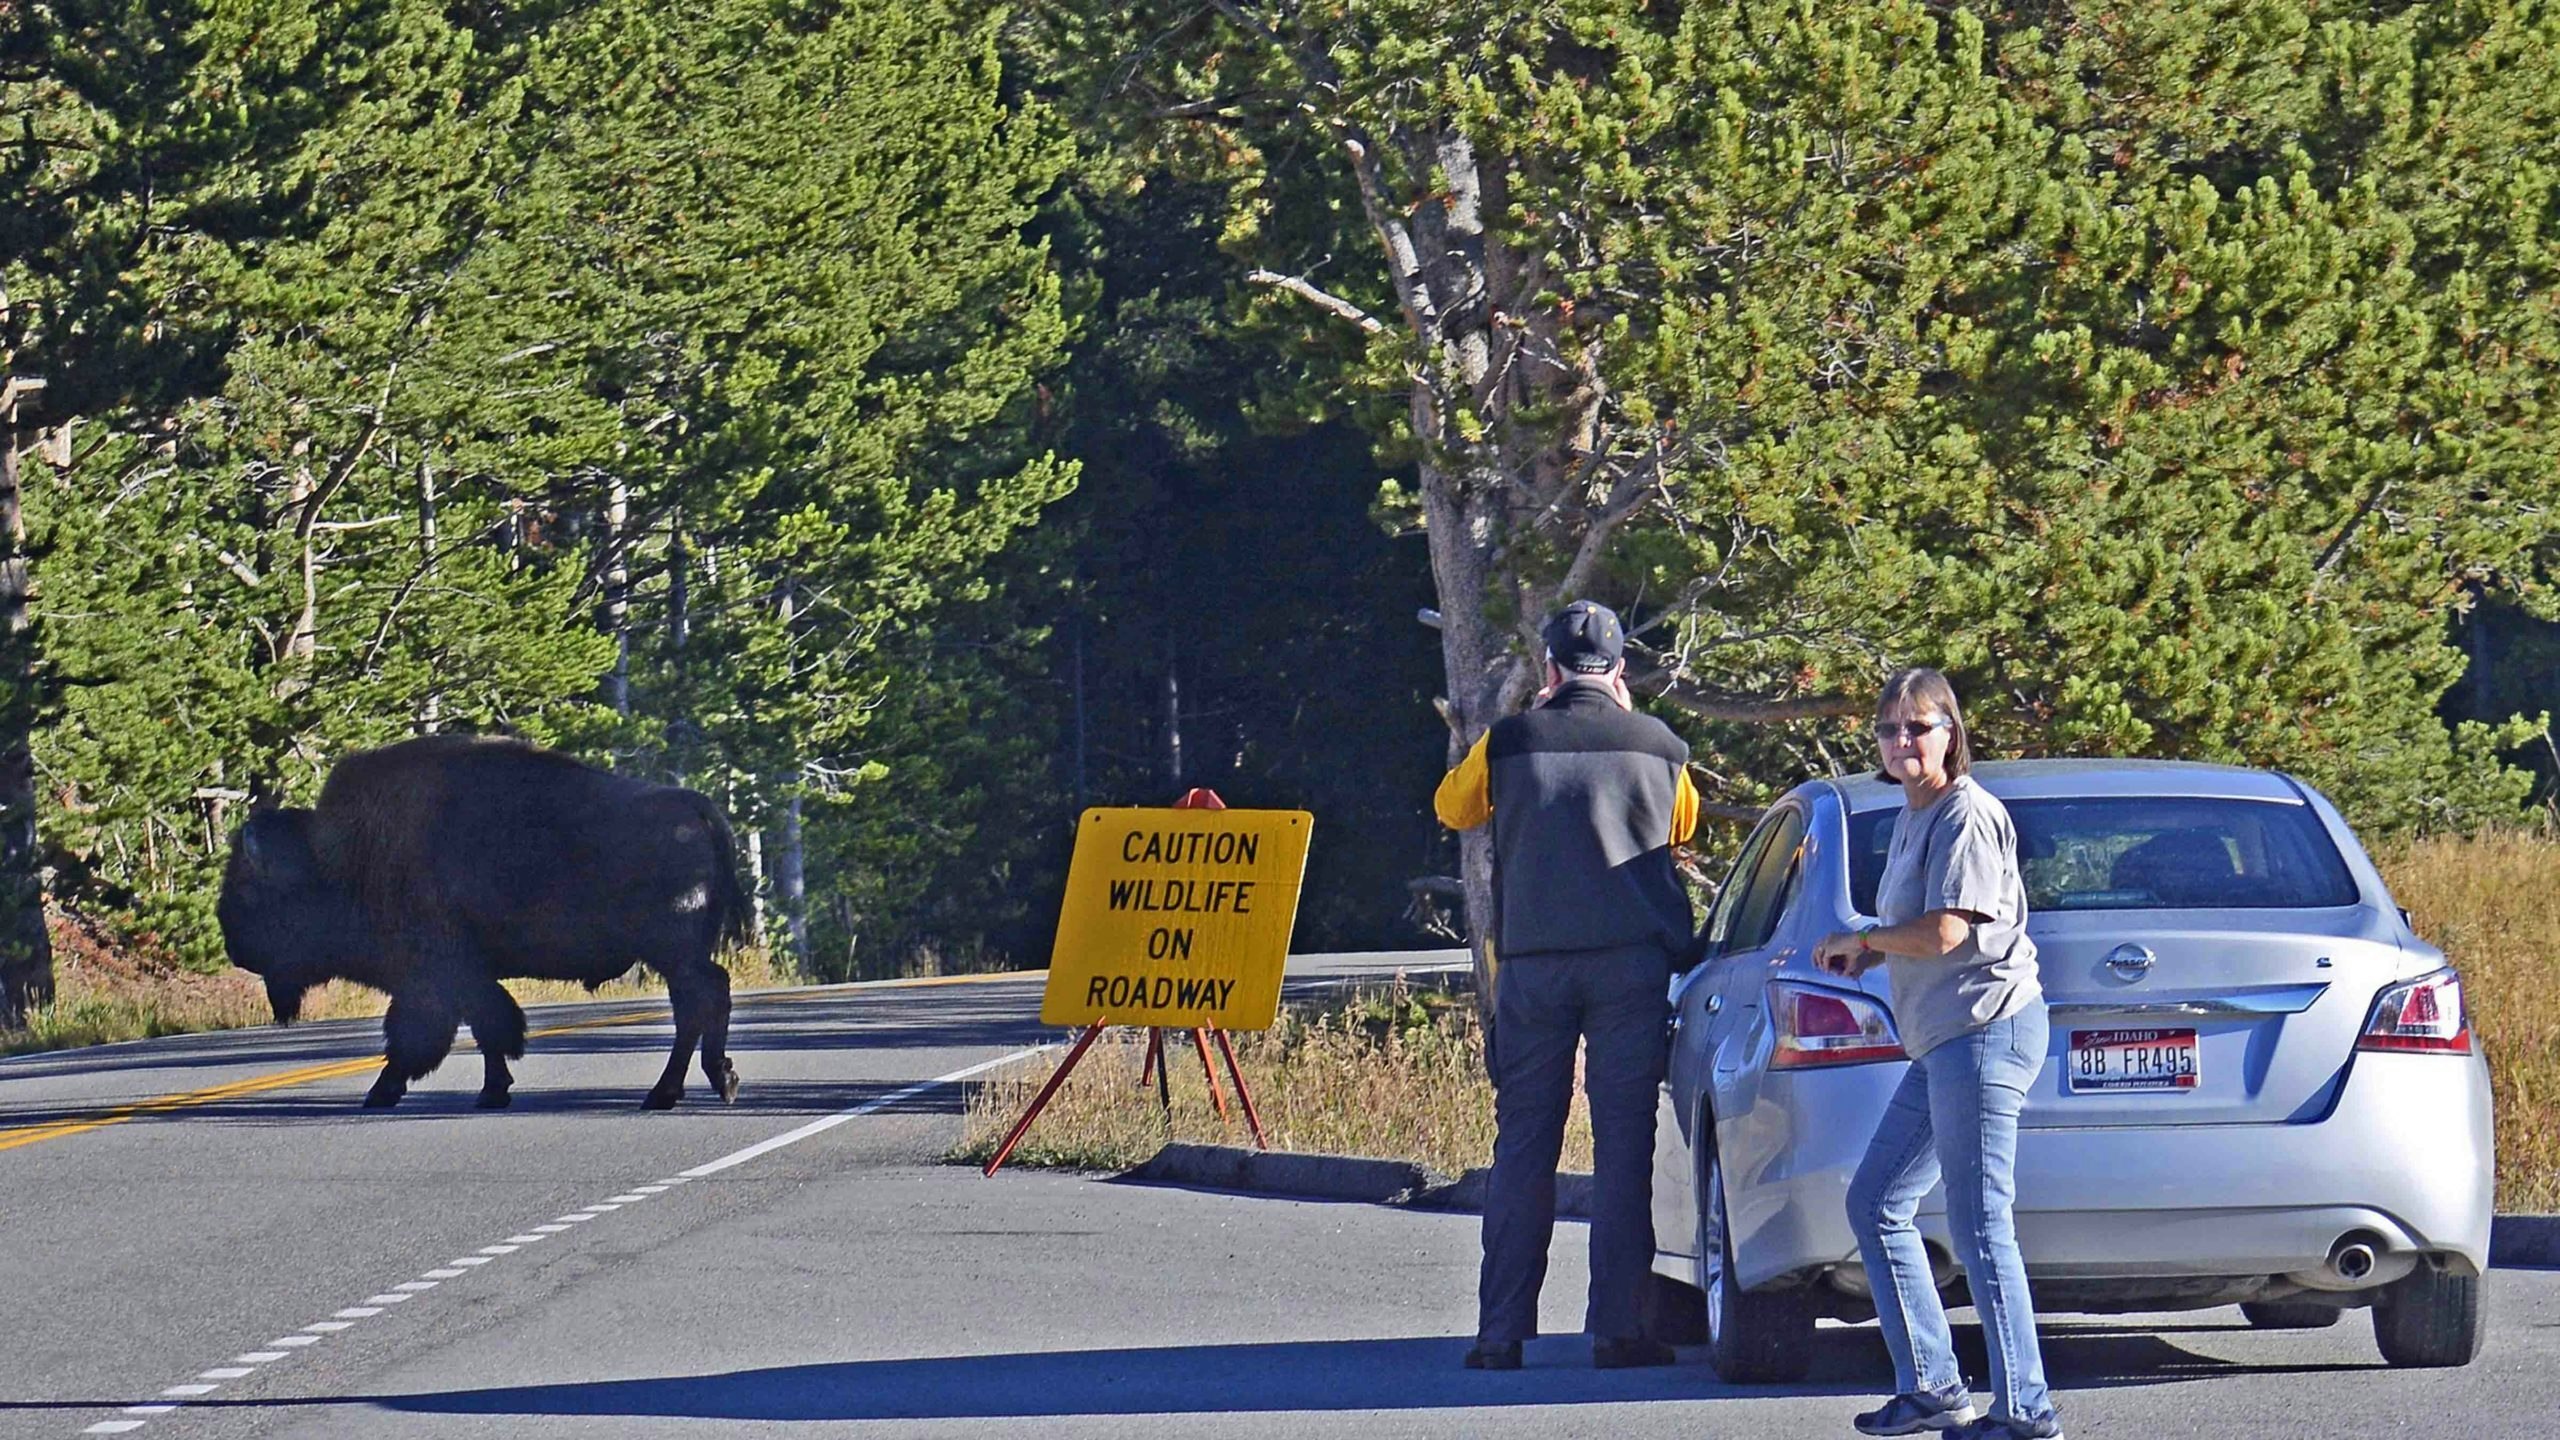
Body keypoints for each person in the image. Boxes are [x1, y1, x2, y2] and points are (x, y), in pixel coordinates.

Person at [1433, 599, 1700, 1372]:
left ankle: (1501, 1332)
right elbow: (1681, 825)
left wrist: (1532, 723)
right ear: (1619, 670)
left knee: (1524, 1143)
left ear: (1549, 668)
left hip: (1535, 966)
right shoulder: (1660, 744)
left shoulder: (1509, 742)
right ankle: (1619, 1328)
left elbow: (1454, 807)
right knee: (1623, 1148)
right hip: (1629, 967)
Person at [1813, 668, 2063, 1440]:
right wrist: (1873, 956)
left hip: (1986, 1030)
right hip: (1943, 1040)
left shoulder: (1966, 814)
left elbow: (1950, 933)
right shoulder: (1912, 814)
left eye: (1917, 727)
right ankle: (1932, 1387)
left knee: (1982, 1222)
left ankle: (2026, 1410)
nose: (1900, 742)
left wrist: (1863, 940)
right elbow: (1922, 934)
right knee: (1877, 1201)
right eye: (1888, 730)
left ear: (1951, 732)